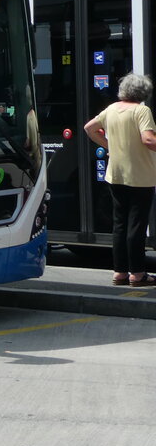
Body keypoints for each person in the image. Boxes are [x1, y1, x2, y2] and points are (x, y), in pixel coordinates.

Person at [83, 73, 156, 287]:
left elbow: (89, 128)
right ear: (143, 93)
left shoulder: (112, 109)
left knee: (120, 224)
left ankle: (120, 272)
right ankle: (138, 274)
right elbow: (148, 139)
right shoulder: (141, 111)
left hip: (115, 174)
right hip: (140, 176)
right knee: (137, 225)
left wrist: (108, 145)